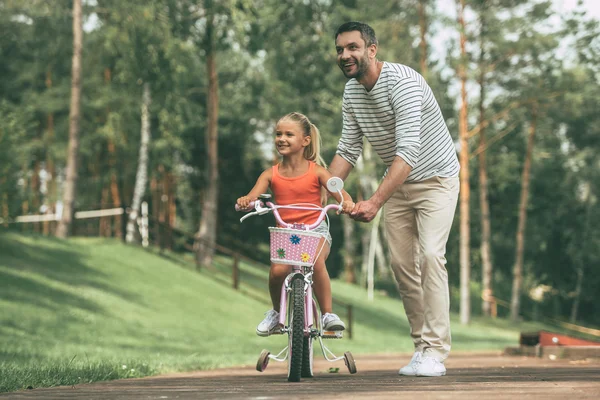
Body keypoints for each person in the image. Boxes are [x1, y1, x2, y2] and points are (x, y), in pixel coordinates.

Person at [329, 22, 460, 377]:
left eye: (353, 47)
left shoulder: (402, 82)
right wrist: (326, 187)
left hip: (436, 180)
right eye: (340, 49)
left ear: (372, 49)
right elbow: (347, 150)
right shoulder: (352, 93)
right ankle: (421, 348)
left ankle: (436, 351)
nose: (345, 55)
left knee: (432, 256)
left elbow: (408, 153)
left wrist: (373, 202)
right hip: (398, 185)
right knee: (403, 267)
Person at [237, 112, 355, 336]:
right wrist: (246, 202)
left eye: (289, 134)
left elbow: (342, 195)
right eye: (278, 134)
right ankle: (275, 313)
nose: (281, 138)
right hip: (286, 231)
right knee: (277, 271)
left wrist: (347, 204)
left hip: (316, 230)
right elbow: (252, 197)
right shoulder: (270, 175)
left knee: (315, 261)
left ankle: (328, 314)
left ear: (305, 141)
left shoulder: (318, 172)